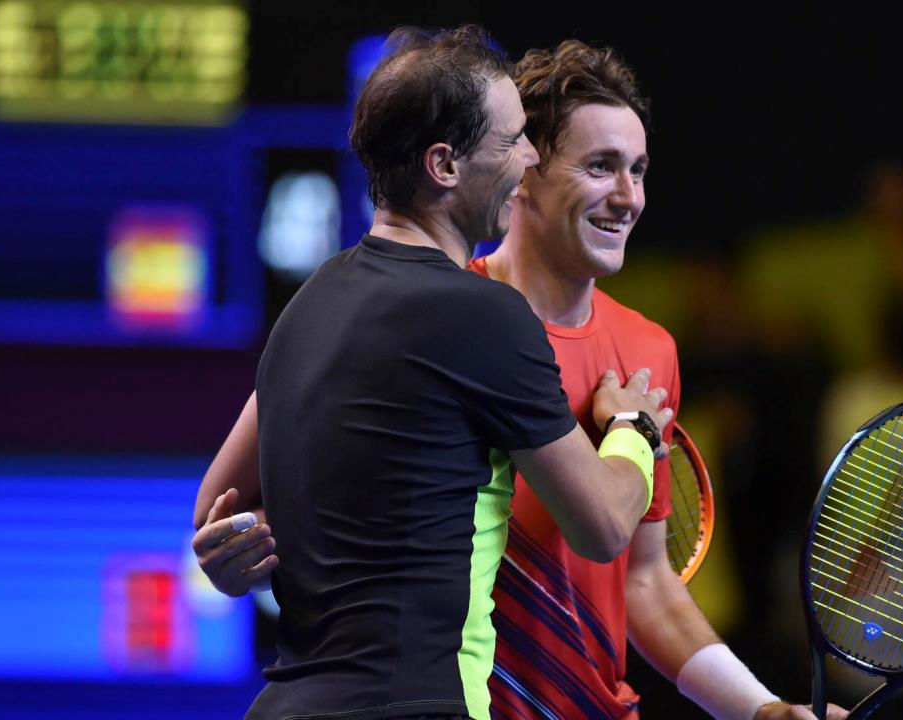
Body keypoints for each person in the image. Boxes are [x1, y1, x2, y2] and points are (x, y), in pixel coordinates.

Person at [195, 37, 843, 720]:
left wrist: (759, 708)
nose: (628, 197)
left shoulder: (646, 352)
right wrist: (632, 432)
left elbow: (644, 579)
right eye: (600, 166)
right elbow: (600, 523)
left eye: (639, 170)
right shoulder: (458, 314)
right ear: (517, 171)